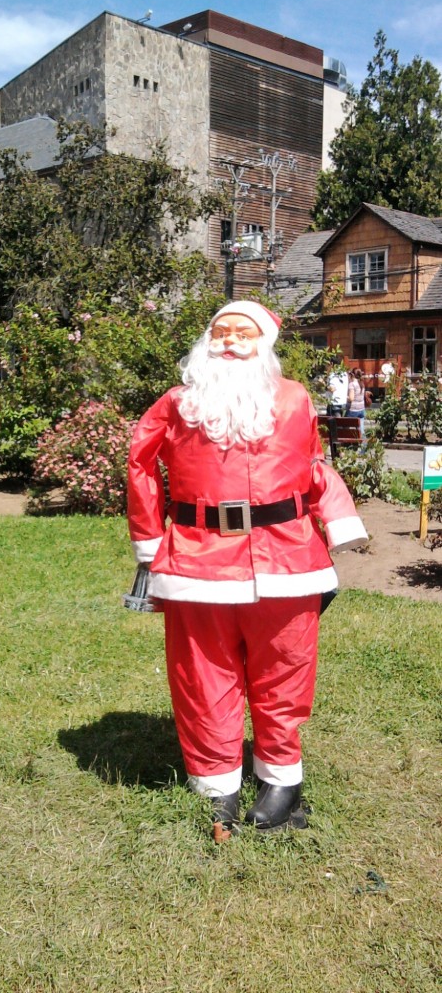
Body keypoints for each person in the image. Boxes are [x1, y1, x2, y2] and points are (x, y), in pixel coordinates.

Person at [127, 300, 367, 843]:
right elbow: (139, 463)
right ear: (206, 341)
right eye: (221, 331)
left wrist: (339, 525)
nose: (231, 341)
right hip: (196, 557)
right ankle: (217, 784)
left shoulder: (295, 399)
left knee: (284, 671)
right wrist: (147, 541)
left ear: (266, 343)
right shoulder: (176, 404)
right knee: (203, 674)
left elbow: (312, 467)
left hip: (287, 557)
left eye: (245, 332)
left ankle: (281, 779)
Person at [346, 368, 366, 442]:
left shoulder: (352, 384)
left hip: (353, 410)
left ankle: (345, 445)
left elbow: (351, 398)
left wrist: (344, 396)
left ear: (352, 375)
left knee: (344, 427)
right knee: (361, 429)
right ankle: (364, 447)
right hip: (361, 409)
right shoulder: (361, 383)